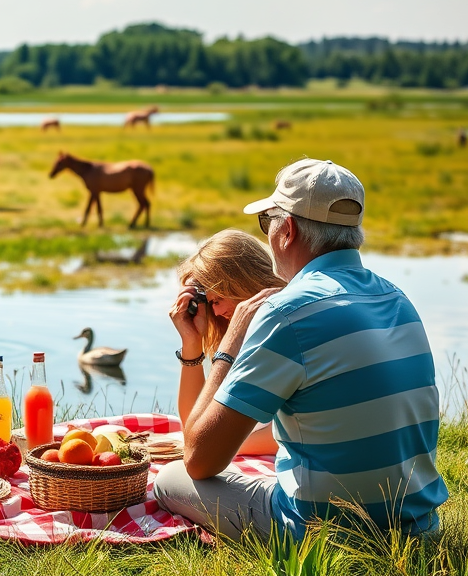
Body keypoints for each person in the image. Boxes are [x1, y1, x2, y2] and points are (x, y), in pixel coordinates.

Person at [154, 158, 448, 544]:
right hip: (418, 531)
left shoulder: (287, 313)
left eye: (267, 222)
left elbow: (198, 460)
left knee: (168, 479)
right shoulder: (397, 297)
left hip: (328, 537)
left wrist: (227, 347)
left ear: (287, 230)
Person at [170, 230, 285, 455]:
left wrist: (216, 446)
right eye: (210, 303)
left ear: (241, 282)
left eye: (219, 299)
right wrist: (192, 342)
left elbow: (289, 431)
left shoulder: (283, 326)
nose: (218, 311)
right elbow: (194, 426)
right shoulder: (243, 339)